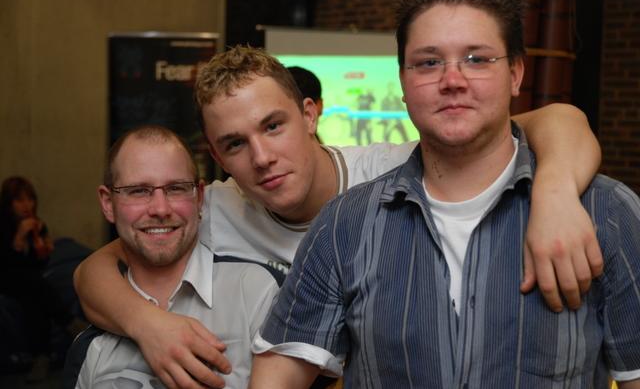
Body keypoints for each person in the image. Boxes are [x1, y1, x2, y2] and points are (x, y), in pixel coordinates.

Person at [73, 45, 604, 388]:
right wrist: (149, 325)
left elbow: (559, 119)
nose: (261, 157)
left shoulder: (395, 172)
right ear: (216, 156)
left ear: (309, 114)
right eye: (235, 143)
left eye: (274, 126)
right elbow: (94, 271)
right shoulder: (220, 207)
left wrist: (555, 194)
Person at [249, 0, 640, 387]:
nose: (453, 79)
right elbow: (275, 378)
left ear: (515, 74)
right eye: (429, 62)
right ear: (402, 81)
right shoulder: (346, 224)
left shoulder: (606, 214)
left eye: (477, 59)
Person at [65, 126, 278, 388]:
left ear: (199, 197)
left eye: (176, 188)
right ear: (108, 204)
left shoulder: (255, 294)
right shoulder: (92, 344)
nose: (160, 209)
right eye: (138, 191)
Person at [0, 176, 85, 382]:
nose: (26, 205)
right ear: (9, 203)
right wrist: (18, 239)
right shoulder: (3, 224)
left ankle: (42, 358)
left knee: (34, 298)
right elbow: (6, 265)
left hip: (26, 283)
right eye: (19, 200)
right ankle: (69, 322)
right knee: (33, 284)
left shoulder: (37, 226)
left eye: (30, 199)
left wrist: (43, 252)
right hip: (5, 277)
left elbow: (36, 267)